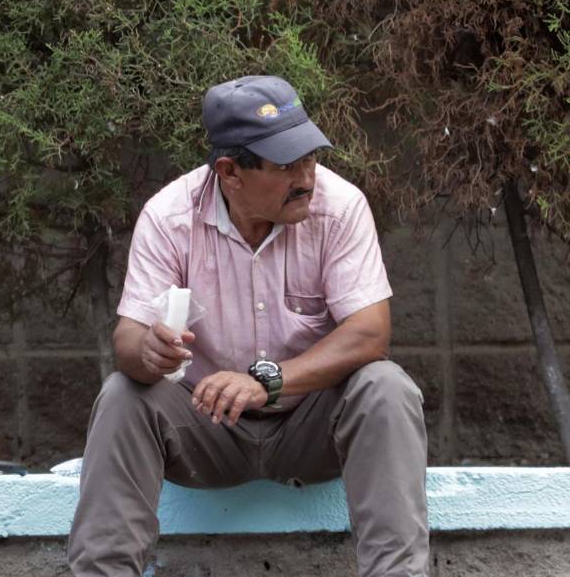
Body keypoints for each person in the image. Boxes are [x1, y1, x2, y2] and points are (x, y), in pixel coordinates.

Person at [67, 76, 428, 576]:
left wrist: (267, 381)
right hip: (205, 429)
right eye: (286, 166)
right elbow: (128, 339)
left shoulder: (340, 207)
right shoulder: (169, 216)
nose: (306, 178)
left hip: (312, 428)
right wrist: (149, 350)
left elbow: (370, 333)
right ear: (230, 172)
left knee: (386, 387)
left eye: (310, 158)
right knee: (123, 394)